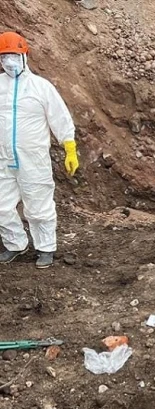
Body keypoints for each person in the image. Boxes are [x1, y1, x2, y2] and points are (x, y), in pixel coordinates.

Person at [0, 32, 79, 268]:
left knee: (38, 206)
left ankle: (45, 248)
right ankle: (15, 244)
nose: (9, 61)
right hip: (3, 159)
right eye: (4, 56)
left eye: (14, 55)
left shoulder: (41, 87)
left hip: (33, 159)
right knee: (1, 206)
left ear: (25, 56)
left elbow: (60, 117)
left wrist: (70, 148)